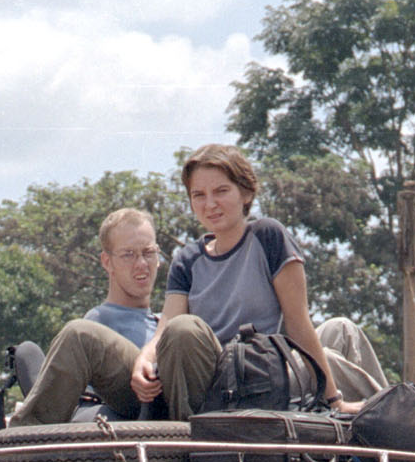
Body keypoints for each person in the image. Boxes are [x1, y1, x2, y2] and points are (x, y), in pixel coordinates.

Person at [136, 144, 388, 421]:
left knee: (343, 329)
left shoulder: (268, 236)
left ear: (245, 193)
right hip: (229, 381)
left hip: (266, 365)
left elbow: (298, 324)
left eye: (221, 191)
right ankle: (385, 411)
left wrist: (331, 399)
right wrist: (144, 358)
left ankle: (393, 418)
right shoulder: (187, 259)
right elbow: (165, 329)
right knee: (326, 357)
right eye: (199, 195)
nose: (210, 204)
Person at [6, 208, 166, 426]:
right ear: (107, 262)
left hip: (167, 407)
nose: (141, 264)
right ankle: (24, 439)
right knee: (79, 333)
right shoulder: (97, 323)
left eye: (148, 252)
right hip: (117, 410)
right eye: (128, 254)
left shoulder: (165, 322)